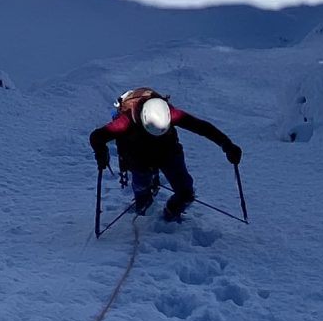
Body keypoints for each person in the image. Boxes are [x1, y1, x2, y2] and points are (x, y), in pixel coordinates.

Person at [89, 87, 241, 221]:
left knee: (185, 193)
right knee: (142, 188)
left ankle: (170, 212)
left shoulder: (171, 113)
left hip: (167, 152)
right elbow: (97, 137)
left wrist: (227, 145)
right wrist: (101, 154)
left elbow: (200, 127)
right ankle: (143, 201)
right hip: (139, 156)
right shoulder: (125, 120)